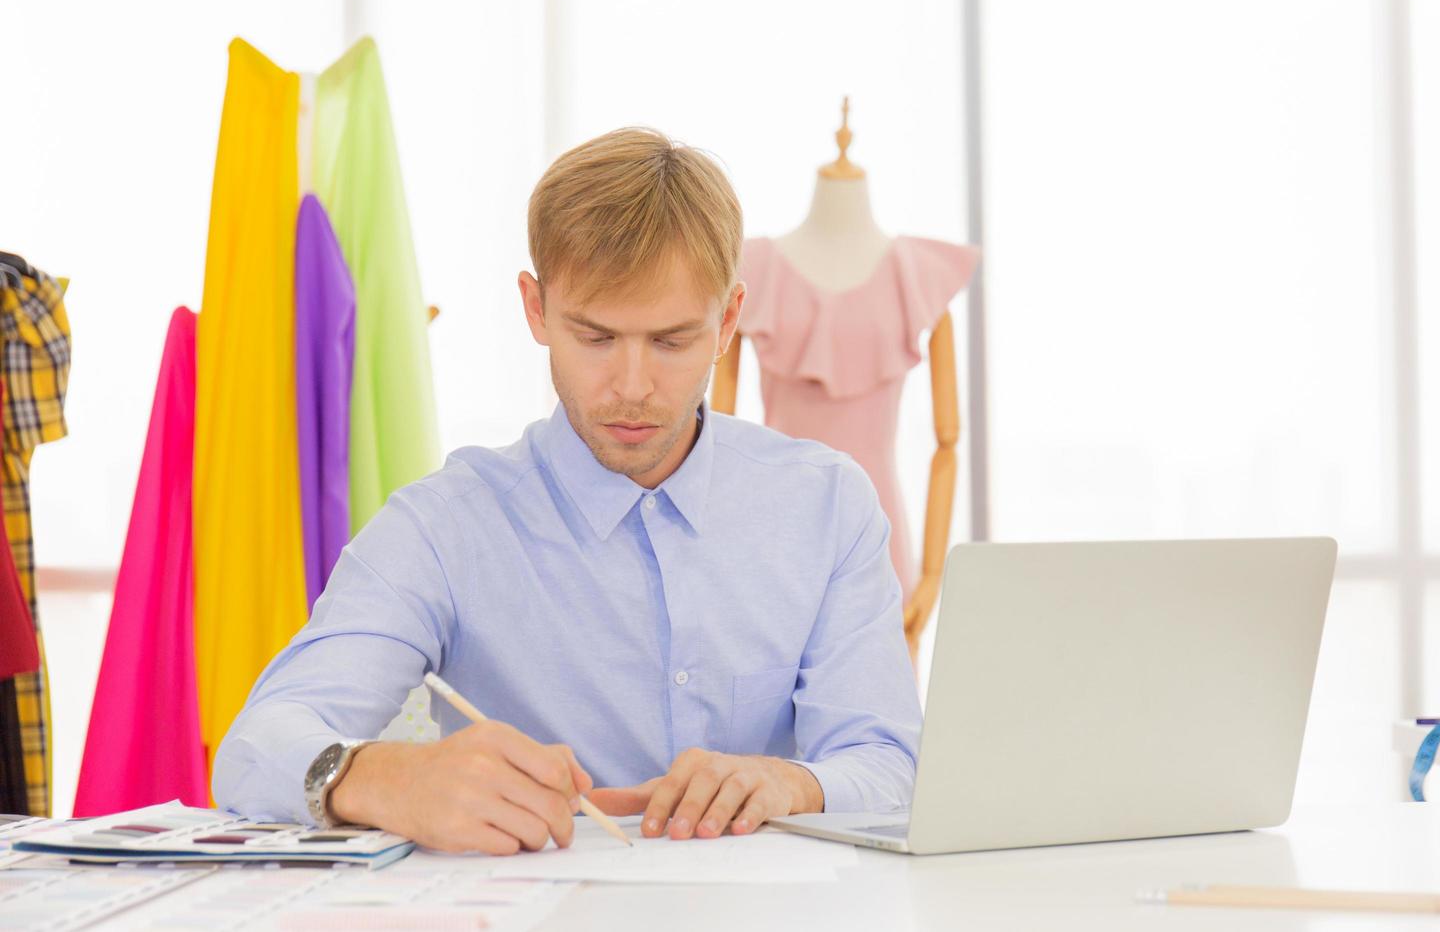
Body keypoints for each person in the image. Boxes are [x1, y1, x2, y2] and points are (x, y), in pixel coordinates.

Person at [214, 126, 921, 855]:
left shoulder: (827, 506)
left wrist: (792, 784)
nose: (633, 387)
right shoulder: (444, 526)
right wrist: (383, 778)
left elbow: (889, 762)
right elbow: (253, 749)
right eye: (596, 337)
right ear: (536, 308)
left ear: (730, 319)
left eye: (672, 341)